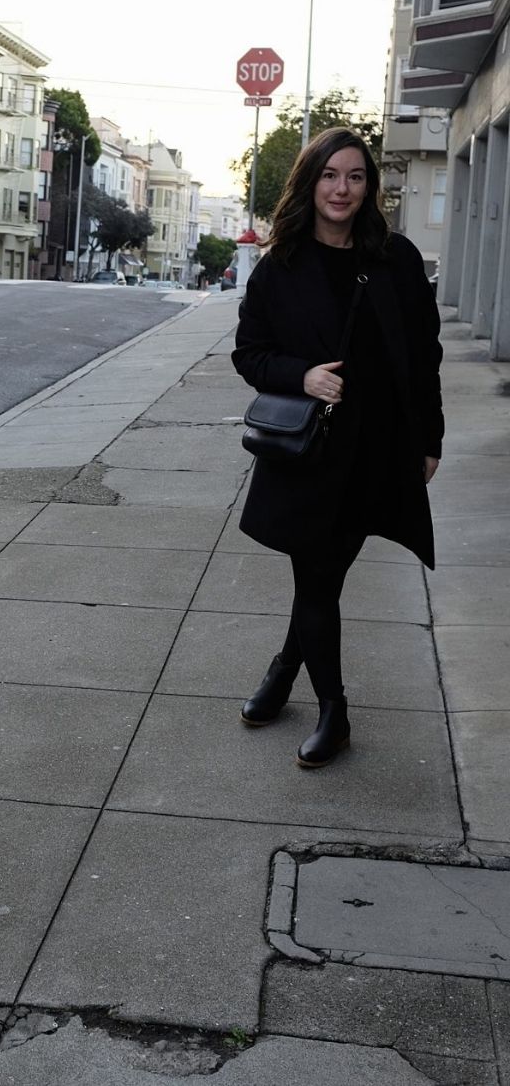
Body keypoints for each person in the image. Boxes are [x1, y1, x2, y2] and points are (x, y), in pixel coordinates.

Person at [229, 126, 442, 769]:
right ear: (310, 182)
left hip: (377, 451)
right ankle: (334, 711)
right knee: (317, 579)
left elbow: (425, 357)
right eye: (329, 175)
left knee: (323, 577)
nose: (341, 188)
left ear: (368, 187)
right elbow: (249, 354)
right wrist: (302, 375)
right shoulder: (280, 267)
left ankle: (283, 671)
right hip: (312, 454)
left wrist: (429, 440)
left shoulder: (396, 259)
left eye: (354, 176)